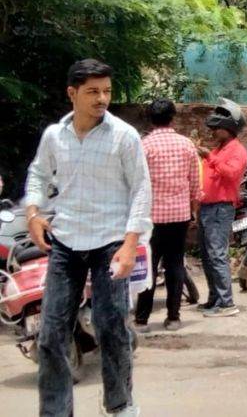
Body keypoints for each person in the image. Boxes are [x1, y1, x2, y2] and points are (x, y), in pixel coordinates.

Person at [24, 59, 151, 416]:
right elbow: (38, 175)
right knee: (51, 334)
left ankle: (120, 405)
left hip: (110, 242)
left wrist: (130, 244)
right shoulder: (54, 136)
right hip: (65, 243)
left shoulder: (124, 136)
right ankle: (55, 411)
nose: (102, 99)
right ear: (72, 93)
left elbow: (141, 190)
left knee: (111, 328)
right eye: (93, 91)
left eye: (107, 91)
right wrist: (33, 213)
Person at [134, 99, 201, 333]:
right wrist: (194, 211)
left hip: (151, 218)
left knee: (149, 267)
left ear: (151, 119)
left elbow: (137, 184)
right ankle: (173, 318)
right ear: (173, 118)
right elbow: (195, 183)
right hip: (179, 215)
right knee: (175, 265)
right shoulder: (186, 145)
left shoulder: (144, 146)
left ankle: (142, 320)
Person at [195, 99, 247, 318]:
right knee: (208, 256)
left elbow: (232, 173)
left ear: (228, 129)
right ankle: (214, 299)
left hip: (220, 208)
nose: (213, 132)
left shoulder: (237, 151)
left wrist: (209, 157)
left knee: (217, 255)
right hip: (207, 208)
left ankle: (227, 303)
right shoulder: (219, 149)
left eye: (217, 129)